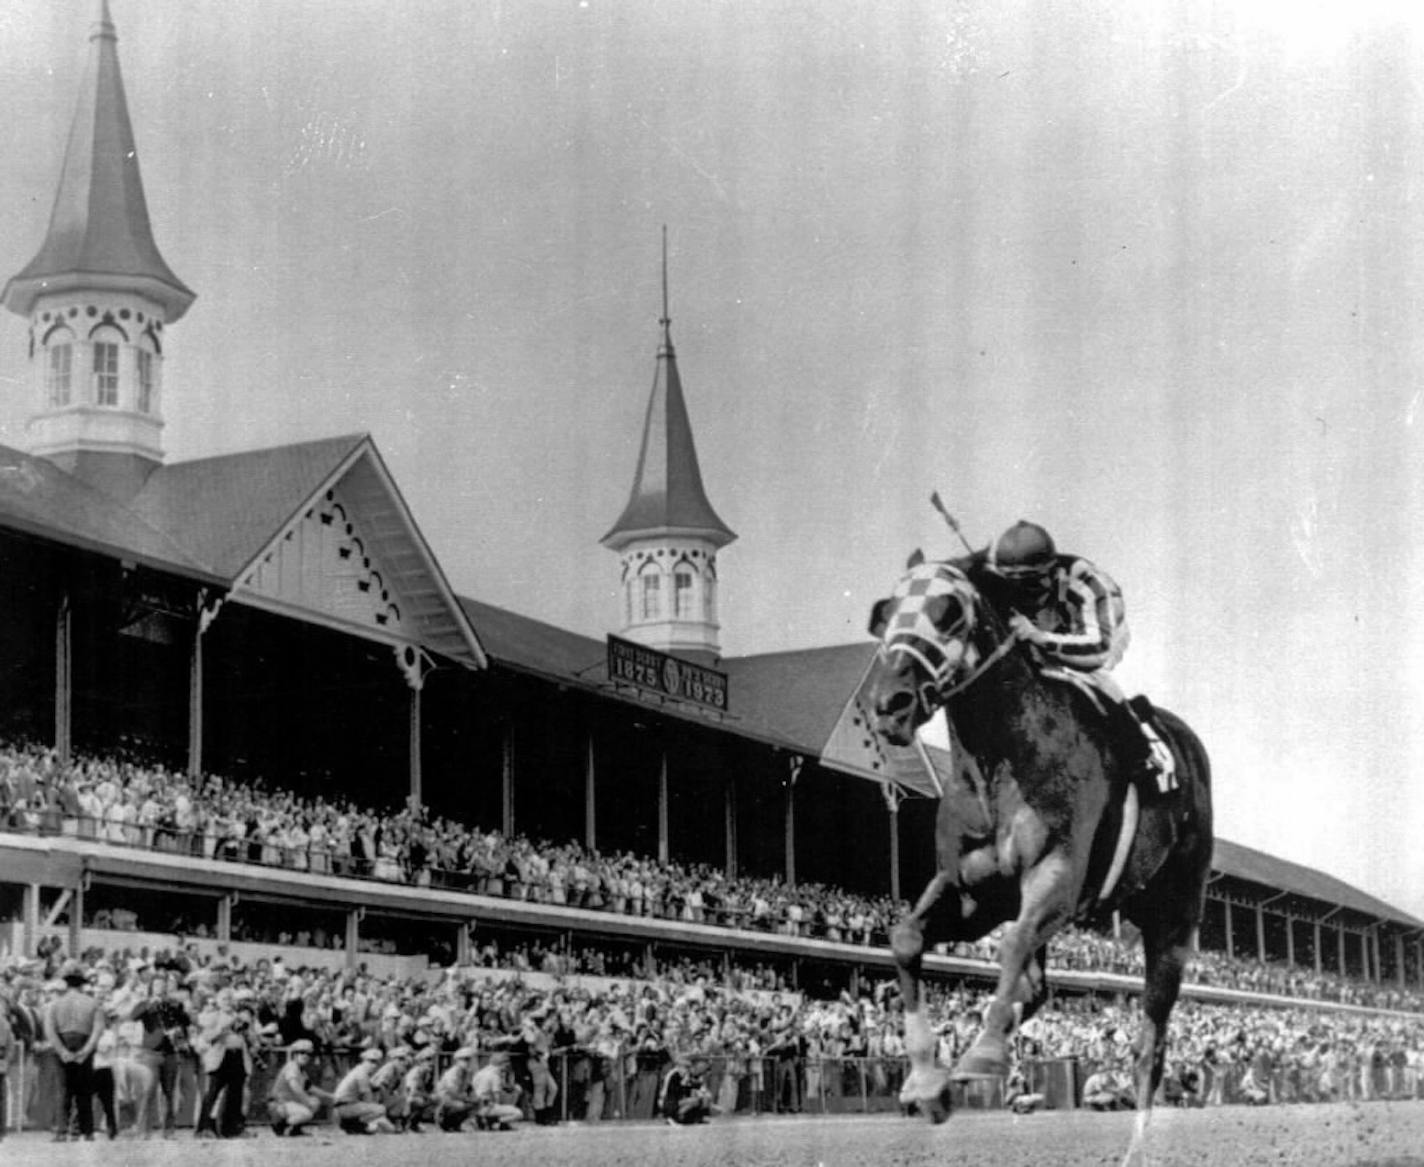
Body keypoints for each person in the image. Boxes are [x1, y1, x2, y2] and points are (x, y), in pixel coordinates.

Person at [985, 520, 1173, 790]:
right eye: (1013, 585)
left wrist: (1039, 637)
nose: (1022, 594)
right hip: (1046, 628)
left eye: (1030, 584)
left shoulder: (1090, 585)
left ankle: (1140, 750)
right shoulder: (1001, 583)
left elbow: (1097, 649)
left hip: (1097, 636)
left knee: (1089, 677)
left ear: (1051, 571)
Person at [43, 959, 104, 1142]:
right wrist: (85, 1051)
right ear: (82, 983)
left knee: (63, 1090)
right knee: (84, 1091)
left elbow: (49, 1030)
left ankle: (61, 1130)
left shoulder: (54, 1004)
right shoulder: (93, 1004)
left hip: (62, 1043)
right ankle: (85, 1131)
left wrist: (62, 1051)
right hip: (84, 1043)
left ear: (65, 982)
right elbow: (97, 1030)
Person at [267, 1039, 331, 1136]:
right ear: (295, 1054)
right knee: (307, 1112)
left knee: (315, 1102)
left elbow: (310, 1088)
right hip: (279, 1106)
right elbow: (295, 1086)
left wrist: (330, 1095)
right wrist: (307, 1100)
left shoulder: (301, 1070)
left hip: (287, 1104)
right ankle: (282, 1127)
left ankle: (295, 1129)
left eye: (308, 1053)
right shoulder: (292, 1066)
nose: (305, 1055)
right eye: (302, 1052)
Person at [333, 1047, 397, 1134]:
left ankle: (356, 1126)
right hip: (344, 1107)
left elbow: (374, 1087)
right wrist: (376, 1110)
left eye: (376, 1062)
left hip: (349, 1106)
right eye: (371, 1061)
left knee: (386, 1124)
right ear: (364, 1061)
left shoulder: (361, 1071)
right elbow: (367, 1097)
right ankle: (354, 1125)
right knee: (380, 1109)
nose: (374, 1065)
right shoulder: (361, 1073)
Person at [470, 1051, 524, 1130]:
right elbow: (497, 1099)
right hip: (487, 1106)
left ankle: (486, 1120)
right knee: (518, 1113)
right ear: (501, 1063)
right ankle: (496, 1121)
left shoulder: (479, 1072)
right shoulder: (495, 1075)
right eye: (506, 1063)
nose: (507, 1065)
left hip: (476, 1105)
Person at [659, 1054, 712, 1125]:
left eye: (687, 1068)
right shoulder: (673, 1075)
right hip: (669, 1101)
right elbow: (671, 1091)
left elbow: (694, 1085)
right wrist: (685, 1084)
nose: (686, 1070)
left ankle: (695, 1118)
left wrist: (703, 1091)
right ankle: (672, 1117)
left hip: (677, 1100)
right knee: (695, 1100)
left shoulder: (684, 1076)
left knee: (701, 1099)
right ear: (679, 1067)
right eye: (685, 1068)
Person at [435, 1047, 477, 1131]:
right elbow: (452, 1091)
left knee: (476, 1103)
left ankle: (456, 1125)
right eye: (465, 1059)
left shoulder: (467, 1073)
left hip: (456, 1098)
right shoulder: (453, 1073)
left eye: (469, 1059)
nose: (468, 1062)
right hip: (445, 1100)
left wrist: (473, 1098)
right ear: (457, 1061)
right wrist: (467, 1099)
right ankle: (444, 1124)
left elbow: (469, 1088)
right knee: (461, 1105)